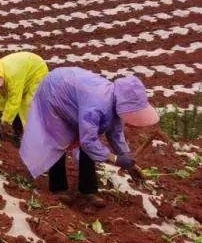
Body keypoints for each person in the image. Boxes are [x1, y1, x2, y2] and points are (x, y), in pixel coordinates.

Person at [20, 67, 158, 208]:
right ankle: (58, 188)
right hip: (54, 91)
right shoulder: (96, 106)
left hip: (74, 92)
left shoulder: (116, 100)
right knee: (59, 139)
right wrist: (115, 159)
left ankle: (88, 190)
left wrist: (129, 163)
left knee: (88, 142)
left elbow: (114, 133)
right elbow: (88, 141)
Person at [0, 51, 48, 147]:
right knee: (15, 105)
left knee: (27, 105)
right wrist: (0, 116)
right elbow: (2, 97)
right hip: (24, 72)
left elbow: (14, 102)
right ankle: (18, 133)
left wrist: (3, 123)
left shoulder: (12, 76)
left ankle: (32, 138)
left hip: (37, 71)